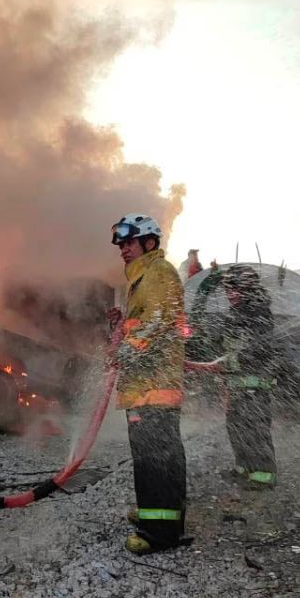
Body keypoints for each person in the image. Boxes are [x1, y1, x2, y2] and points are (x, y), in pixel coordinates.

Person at [107, 214, 188, 554]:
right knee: (157, 458)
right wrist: (122, 324)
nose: (123, 249)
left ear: (149, 242)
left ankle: (158, 534)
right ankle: (159, 516)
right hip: (146, 387)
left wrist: (125, 351)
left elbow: (157, 321)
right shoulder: (142, 278)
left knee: (154, 461)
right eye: (121, 245)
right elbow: (146, 321)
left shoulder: (158, 272)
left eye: (129, 242)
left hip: (152, 387)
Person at [218, 264, 278, 487]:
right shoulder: (237, 311)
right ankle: (243, 468)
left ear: (248, 288)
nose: (230, 294)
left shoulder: (257, 312)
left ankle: (263, 476)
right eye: (228, 290)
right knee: (236, 425)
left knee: (254, 428)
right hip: (238, 381)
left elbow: (255, 348)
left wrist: (227, 361)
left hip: (255, 381)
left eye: (235, 289)